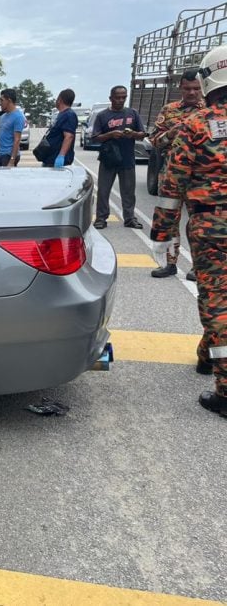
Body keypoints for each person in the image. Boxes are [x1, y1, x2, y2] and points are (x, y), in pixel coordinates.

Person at [150, 45, 227, 415]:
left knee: (217, 299)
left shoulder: (197, 125)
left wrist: (161, 234)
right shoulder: (188, 120)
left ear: (207, 78)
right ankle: (206, 354)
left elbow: (172, 185)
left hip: (212, 225)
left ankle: (226, 388)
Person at [148, 69, 205, 279]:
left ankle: (197, 266)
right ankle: (170, 264)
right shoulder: (169, 110)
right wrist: (170, 134)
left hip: (200, 178)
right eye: (188, 88)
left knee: (198, 222)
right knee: (169, 220)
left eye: (196, 89)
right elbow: (154, 140)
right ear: (180, 88)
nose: (192, 93)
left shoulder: (210, 111)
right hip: (171, 175)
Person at [91, 86, 146, 229]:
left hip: (127, 159)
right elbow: (95, 137)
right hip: (108, 159)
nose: (120, 100)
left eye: (123, 97)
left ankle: (129, 218)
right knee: (103, 190)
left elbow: (142, 134)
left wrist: (132, 134)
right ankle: (101, 218)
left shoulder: (132, 113)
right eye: (117, 97)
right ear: (111, 98)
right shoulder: (102, 116)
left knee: (128, 191)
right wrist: (110, 135)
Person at [42, 88, 78, 168]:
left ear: (60, 100)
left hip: (56, 160)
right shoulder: (62, 114)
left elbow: (69, 136)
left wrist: (61, 156)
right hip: (50, 158)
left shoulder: (69, 115)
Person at [0, 88, 25, 166]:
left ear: (9, 100)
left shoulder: (18, 117)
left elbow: (17, 140)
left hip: (8, 156)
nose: (0, 103)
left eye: (2, 100)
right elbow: (0, 137)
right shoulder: (3, 116)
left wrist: (12, 160)